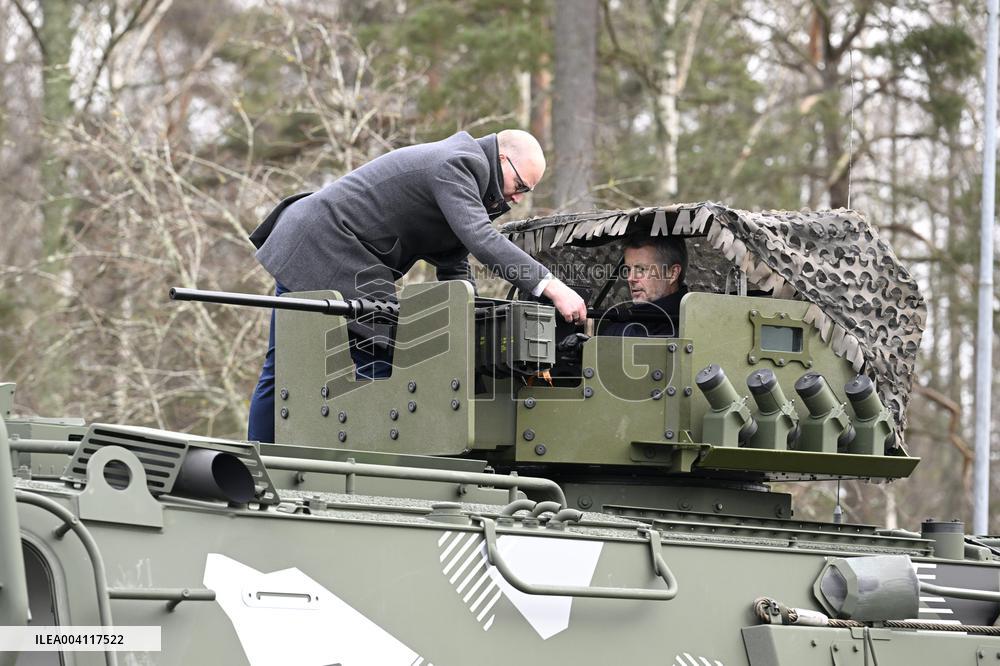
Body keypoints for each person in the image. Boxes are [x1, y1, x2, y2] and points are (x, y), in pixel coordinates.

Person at [246, 129, 587, 443]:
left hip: (328, 246)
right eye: (521, 185)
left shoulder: (480, 186)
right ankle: (354, 471)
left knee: (301, 366)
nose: (518, 198)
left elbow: (454, 260)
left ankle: (292, 460)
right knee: (374, 360)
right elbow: (481, 240)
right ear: (501, 160)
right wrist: (552, 286)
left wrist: (468, 318)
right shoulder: (458, 164)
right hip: (328, 243)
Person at [601, 236, 688, 337]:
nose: (630, 278)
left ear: (672, 273)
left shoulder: (698, 329)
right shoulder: (617, 329)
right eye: (628, 269)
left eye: (641, 269)